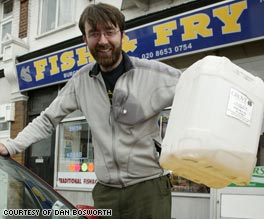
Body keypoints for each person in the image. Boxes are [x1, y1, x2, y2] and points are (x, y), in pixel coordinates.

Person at [0, 3, 181, 219]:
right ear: (85, 39)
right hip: (105, 194)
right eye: (94, 34)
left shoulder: (153, 73)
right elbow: (47, 120)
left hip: (149, 191)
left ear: (122, 35)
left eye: (110, 32)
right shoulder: (80, 82)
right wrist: (11, 145)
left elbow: (197, 89)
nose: (103, 40)